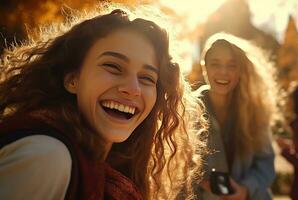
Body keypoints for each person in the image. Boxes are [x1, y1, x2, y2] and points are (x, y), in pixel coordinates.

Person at [0, 5, 207, 200]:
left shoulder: (111, 164)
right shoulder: (46, 157)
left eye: (147, 78)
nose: (132, 89)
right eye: (113, 67)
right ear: (73, 79)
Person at [197, 32, 279, 200]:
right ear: (204, 67)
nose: (223, 72)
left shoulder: (255, 111)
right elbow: (177, 166)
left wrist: (246, 190)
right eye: (215, 64)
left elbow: (265, 163)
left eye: (231, 65)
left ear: (240, 70)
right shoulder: (189, 111)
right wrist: (197, 180)